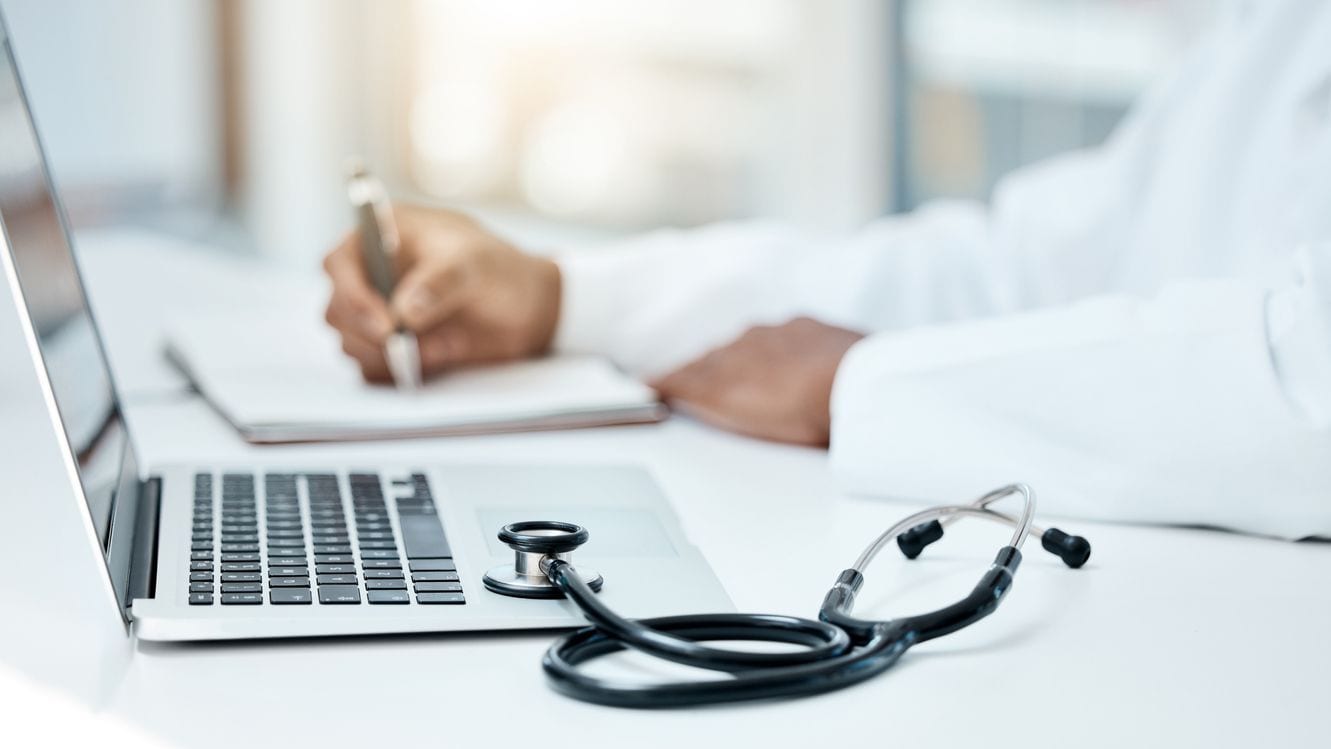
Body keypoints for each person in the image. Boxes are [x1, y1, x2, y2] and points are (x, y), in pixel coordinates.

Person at [324, 0, 1330, 540]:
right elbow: (1016, 271)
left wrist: (858, 382)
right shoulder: (1268, 33)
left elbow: (1308, 396)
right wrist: (562, 299)